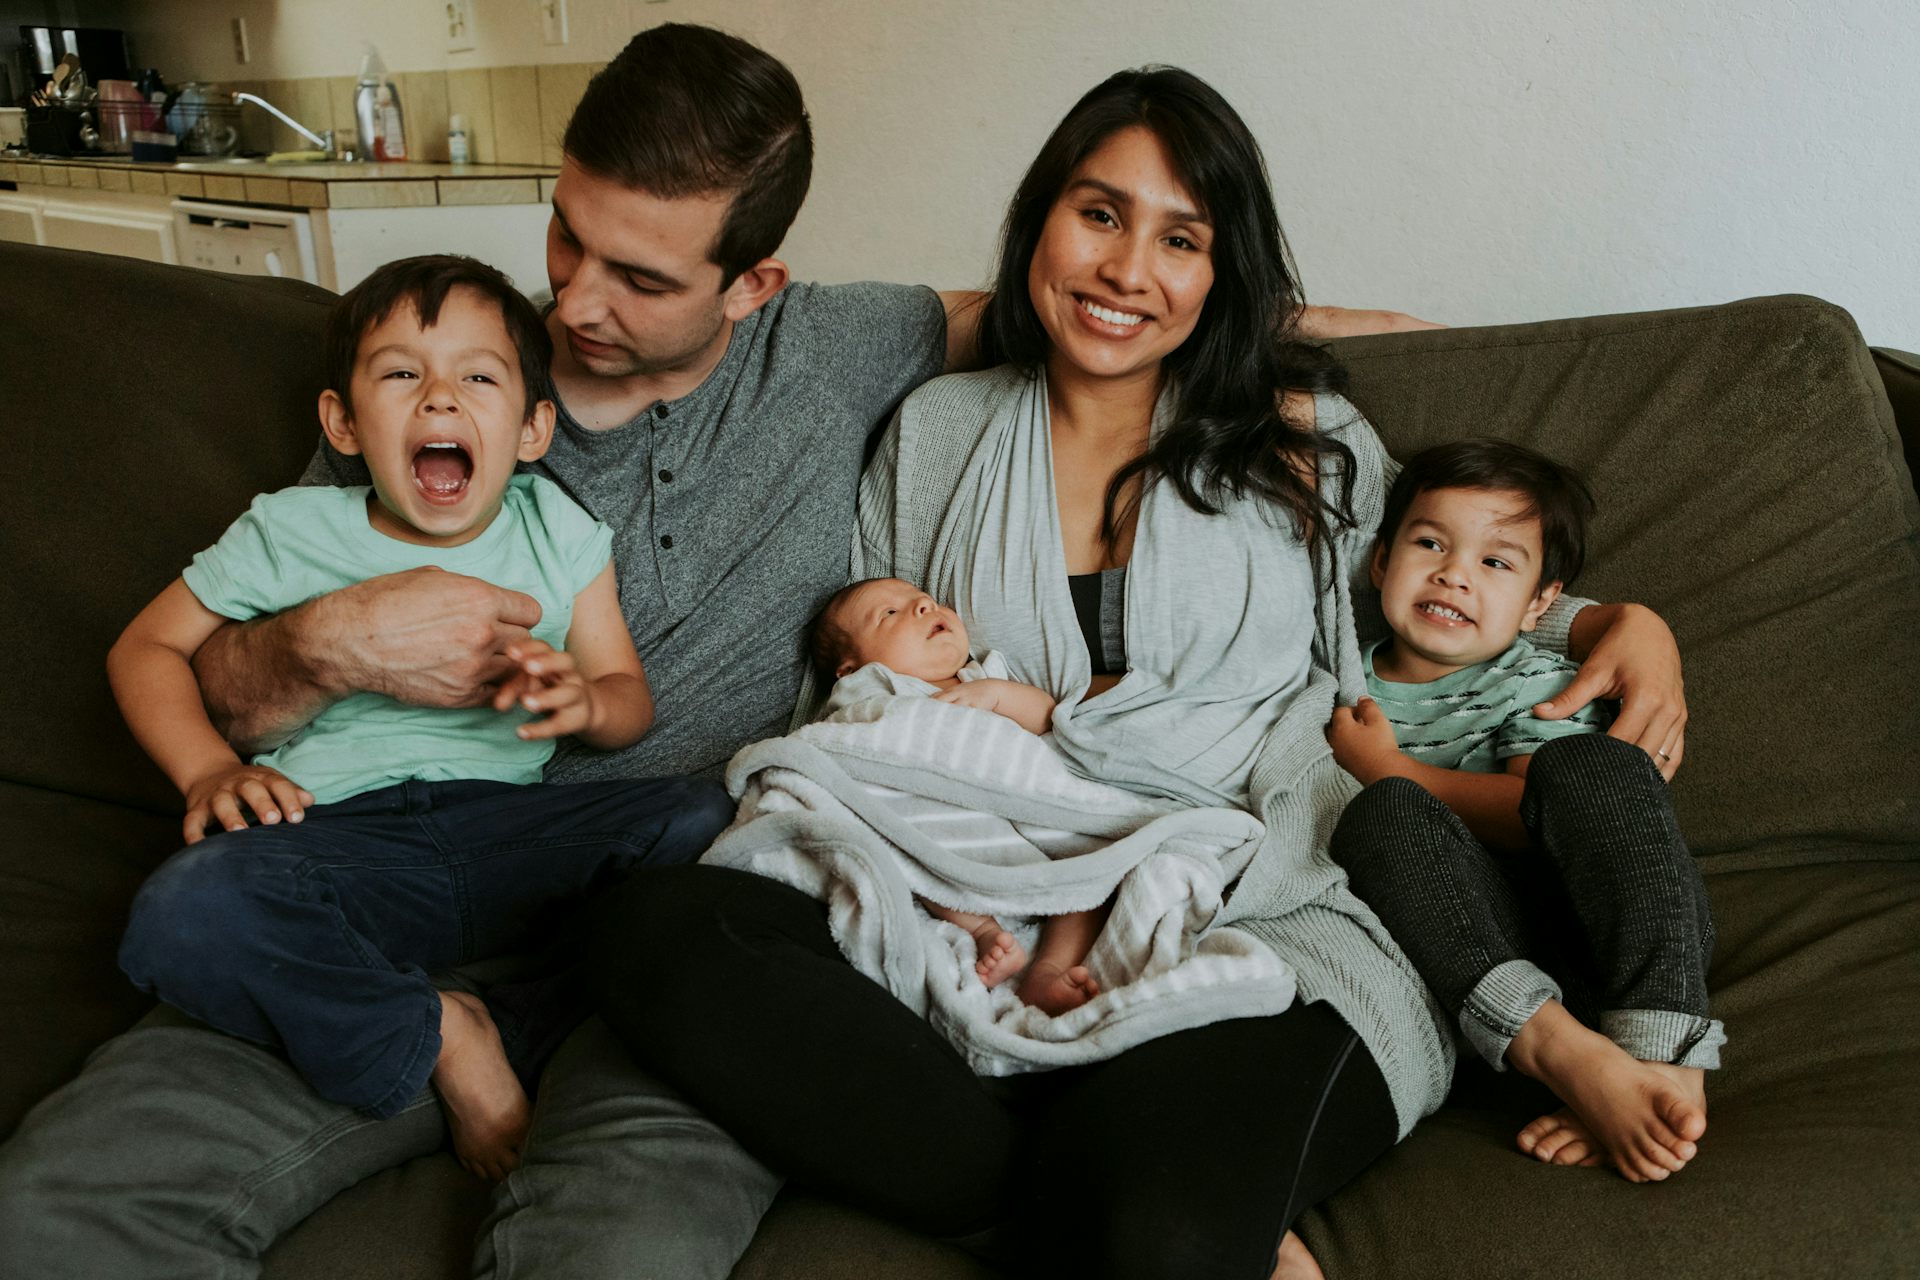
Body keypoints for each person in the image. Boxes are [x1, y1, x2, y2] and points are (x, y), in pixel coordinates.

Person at [0, 23, 1683, 1280]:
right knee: (61, 1210)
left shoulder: (862, 361)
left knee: (621, 1228)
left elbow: (1402, 559)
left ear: (756, 285)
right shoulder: (444, 376)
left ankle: (1107, 1200)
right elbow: (209, 670)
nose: (571, 302)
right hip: (402, 890)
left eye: (637, 273)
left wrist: (1616, 614)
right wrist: (315, 644)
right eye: (563, 239)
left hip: (873, 891)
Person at [581, 66, 1694, 1280]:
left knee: (1148, 1229)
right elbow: (872, 697)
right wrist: (922, 888)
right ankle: (1050, 1165)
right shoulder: (939, 431)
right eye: (1099, 214)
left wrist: (1610, 622)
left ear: (1221, 275)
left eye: (1181, 238)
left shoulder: (1302, 443)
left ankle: (1087, 1163)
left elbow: (1441, 599)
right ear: (1041, 220)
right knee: (657, 924)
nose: (1125, 270)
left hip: (1272, 888)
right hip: (992, 894)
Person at [108, 254, 732, 1182]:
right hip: (337, 842)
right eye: (402, 373)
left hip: (505, 831)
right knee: (183, 907)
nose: (440, 399)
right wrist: (208, 768)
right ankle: (437, 1034)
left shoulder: (558, 532)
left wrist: (583, 700)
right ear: (343, 422)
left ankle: (507, 1017)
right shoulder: (291, 529)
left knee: (714, 818)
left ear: (530, 430)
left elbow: (626, 698)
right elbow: (142, 650)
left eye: (477, 377)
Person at [1324, 439, 1723, 1184]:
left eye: (1495, 563)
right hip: (1471, 956)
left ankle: (1662, 1055)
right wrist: (1388, 788)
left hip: (1594, 932)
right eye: (1429, 543)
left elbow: (1526, 813)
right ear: (1380, 562)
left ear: (1542, 603)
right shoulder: (1342, 674)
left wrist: (1396, 769)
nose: (1453, 574)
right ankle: (1581, 1063)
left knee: (1590, 763)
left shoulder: (1538, 681)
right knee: (1379, 821)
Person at [810, 575, 1106, 1012]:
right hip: (944, 823)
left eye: (925, 600)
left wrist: (996, 695)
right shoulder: (870, 689)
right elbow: (851, 752)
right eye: (890, 613)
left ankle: (1047, 972)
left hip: (1027, 814)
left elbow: (1047, 719)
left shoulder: (984, 672)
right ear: (852, 667)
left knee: (1094, 876)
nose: (924, 608)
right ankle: (982, 928)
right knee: (901, 839)